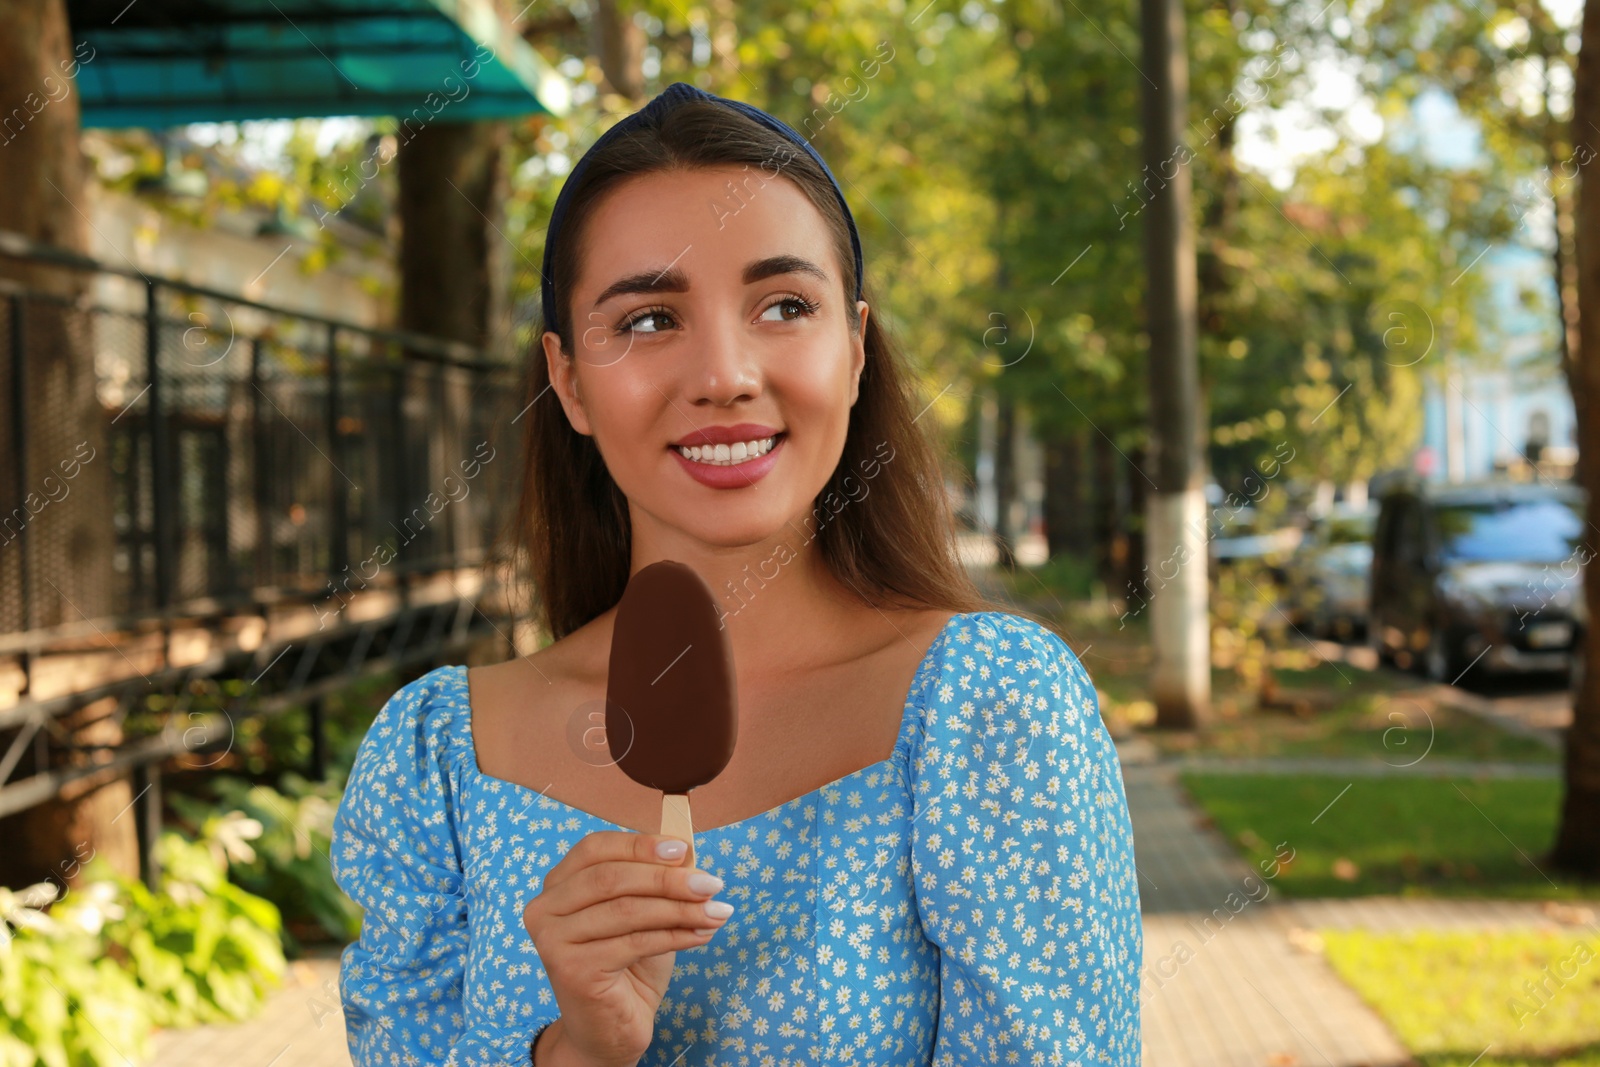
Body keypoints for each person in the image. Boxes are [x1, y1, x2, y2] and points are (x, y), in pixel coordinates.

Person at [330, 80, 1142, 1067]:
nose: (722, 371)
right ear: (569, 379)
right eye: (646, 319)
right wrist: (573, 1052)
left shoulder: (989, 707)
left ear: (852, 351)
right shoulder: (435, 758)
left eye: (784, 305)